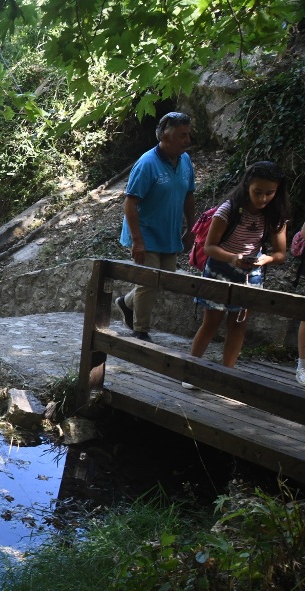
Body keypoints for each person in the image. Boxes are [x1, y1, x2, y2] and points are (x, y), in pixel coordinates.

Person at [183, 161, 289, 386]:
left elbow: (280, 254)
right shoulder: (228, 210)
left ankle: (227, 374)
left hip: (251, 273)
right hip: (220, 266)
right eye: (257, 192)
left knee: (238, 324)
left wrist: (265, 259)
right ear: (247, 187)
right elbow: (210, 246)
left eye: (269, 193)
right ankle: (192, 371)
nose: (262, 199)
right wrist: (232, 258)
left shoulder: (275, 215)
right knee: (211, 321)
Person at [115, 111, 196, 343]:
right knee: (148, 281)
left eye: (188, 135)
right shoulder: (147, 164)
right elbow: (130, 204)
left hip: (168, 232)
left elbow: (189, 195)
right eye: (182, 135)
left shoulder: (185, 160)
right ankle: (141, 330)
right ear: (166, 137)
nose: (187, 140)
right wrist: (138, 241)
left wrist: (192, 228)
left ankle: (126, 303)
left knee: (165, 278)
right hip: (145, 232)